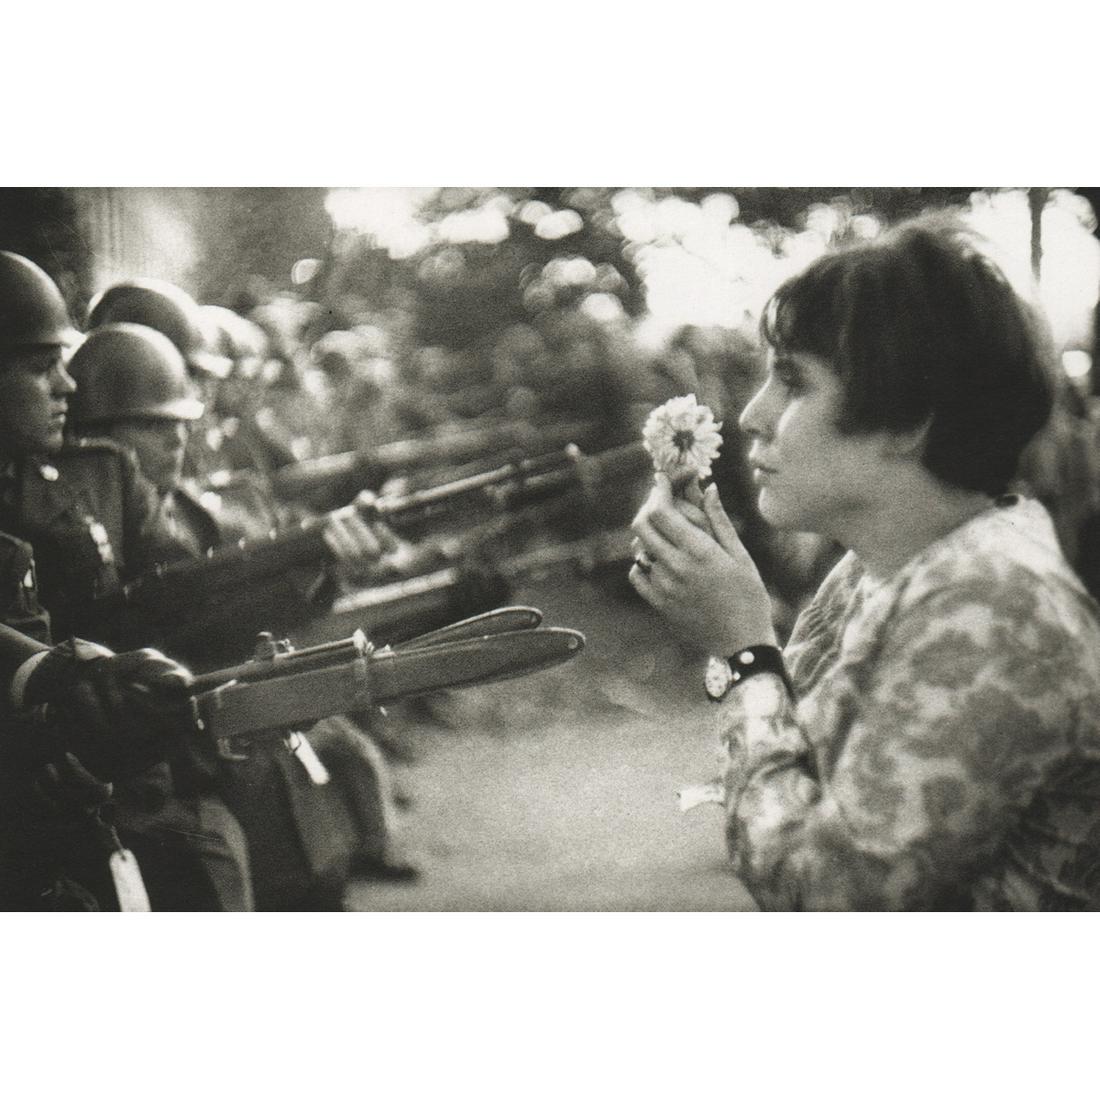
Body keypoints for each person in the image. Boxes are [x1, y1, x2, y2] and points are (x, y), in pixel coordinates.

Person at [629, 214, 1100, 911]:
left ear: (909, 419)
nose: (753, 415)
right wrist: (737, 640)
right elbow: (799, 777)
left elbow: (827, 895)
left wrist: (745, 655)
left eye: (793, 381)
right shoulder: (883, 569)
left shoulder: (995, 603)